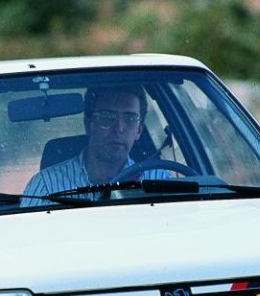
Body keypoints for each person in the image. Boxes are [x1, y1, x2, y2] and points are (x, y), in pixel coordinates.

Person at [21, 85, 171, 206]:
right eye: (107, 117)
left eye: (130, 118)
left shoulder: (159, 181)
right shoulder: (46, 187)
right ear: (88, 124)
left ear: (139, 130)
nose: (119, 128)